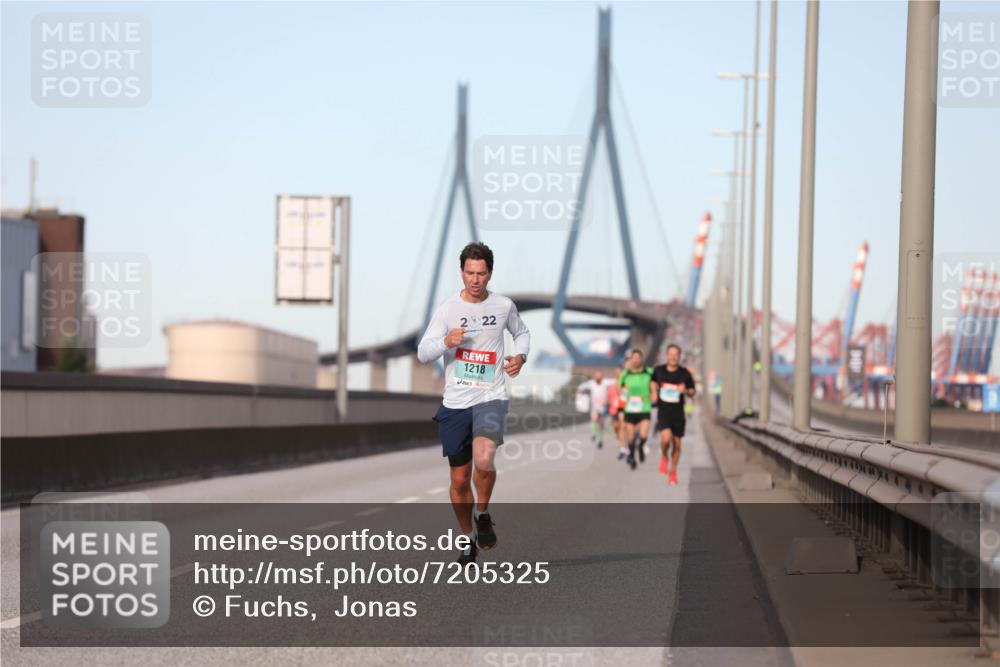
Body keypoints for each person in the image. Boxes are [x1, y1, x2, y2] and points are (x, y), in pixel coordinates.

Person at [417, 242, 530, 566]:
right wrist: (445, 342)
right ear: (461, 272)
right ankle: (467, 538)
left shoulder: (503, 306)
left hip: (490, 397)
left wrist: (520, 356)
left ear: (490, 273)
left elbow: (521, 334)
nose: (475, 279)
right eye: (470, 273)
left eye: (481, 273)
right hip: (455, 403)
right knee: (458, 479)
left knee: (484, 459)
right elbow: (423, 352)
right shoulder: (448, 309)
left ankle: (483, 513)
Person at [652, 343, 696, 485]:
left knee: (677, 445)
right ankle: (664, 456)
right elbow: (652, 382)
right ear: (667, 355)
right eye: (670, 354)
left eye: (675, 355)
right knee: (666, 439)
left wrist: (686, 391)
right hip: (664, 412)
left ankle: (673, 472)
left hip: (678, 413)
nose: (673, 357)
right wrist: (653, 391)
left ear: (679, 356)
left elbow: (692, 392)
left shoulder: (684, 374)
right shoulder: (658, 371)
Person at [617, 349, 655, 470]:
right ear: (631, 360)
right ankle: (632, 457)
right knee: (631, 437)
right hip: (630, 409)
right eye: (633, 358)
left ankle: (641, 447)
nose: (635, 360)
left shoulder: (648, 372)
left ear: (641, 359)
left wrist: (654, 395)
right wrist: (622, 407)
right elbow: (620, 391)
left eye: (638, 358)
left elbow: (654, 387)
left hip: (644, 408)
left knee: (643, 435)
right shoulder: (625, 374)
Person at [577, 370, 615, 449]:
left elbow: (616, 381)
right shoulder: (591, 383)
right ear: (594, 376)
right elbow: (581, 387)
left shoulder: (605, 382)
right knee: (594, 419)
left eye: (600, 376)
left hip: (603, 406)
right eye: (597, 376)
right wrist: (579, 393)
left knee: (601, 423)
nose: (598, 377)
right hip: (594, 406)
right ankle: (594, 434)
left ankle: (600, 439)